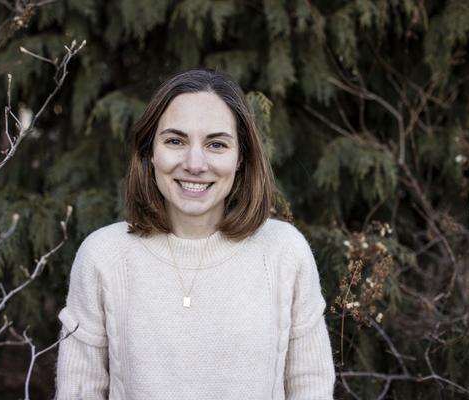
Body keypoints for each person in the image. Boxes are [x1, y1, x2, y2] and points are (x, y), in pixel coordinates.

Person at [55, 69, 335, 399]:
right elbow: (78, 391)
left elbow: (311, 387)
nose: (195, 163)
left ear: (241, 158)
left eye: (216, 144)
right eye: (175, 141)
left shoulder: (283, 251)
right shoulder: (103, 256)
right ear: (149, 152)